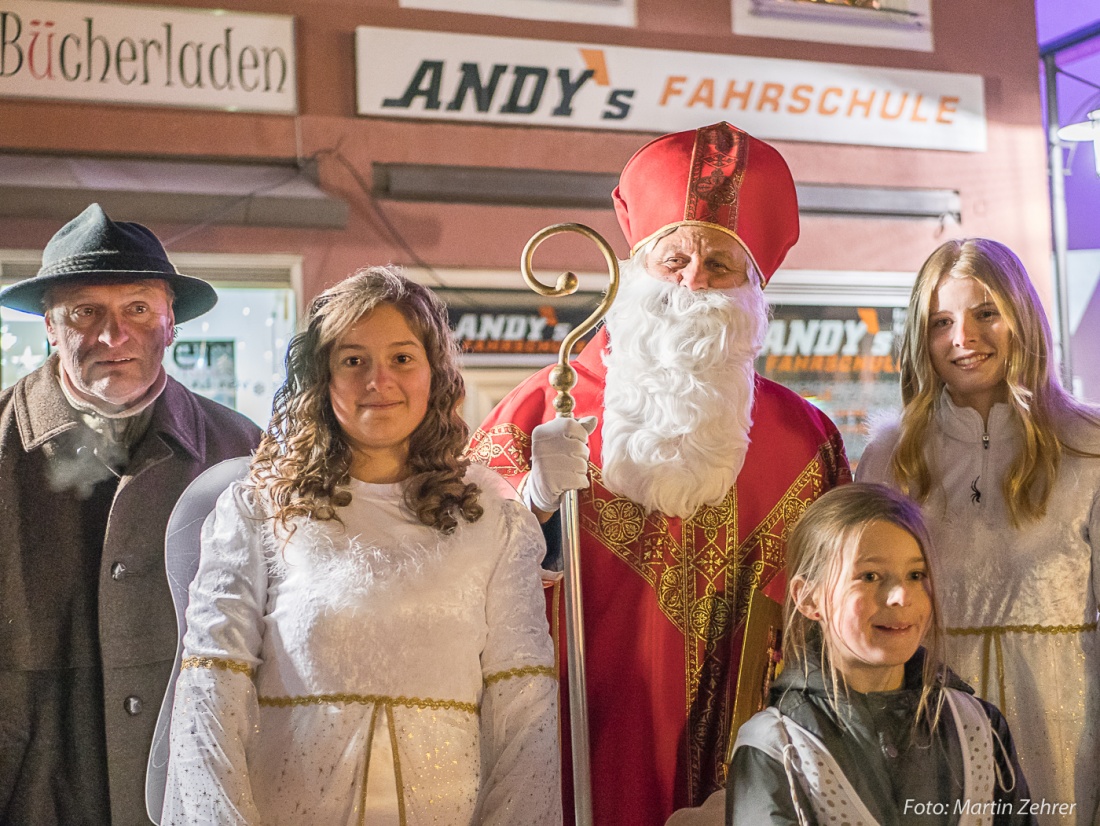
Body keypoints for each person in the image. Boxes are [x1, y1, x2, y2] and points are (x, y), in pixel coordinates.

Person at [469, 121, 851, 825]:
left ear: (754, 289)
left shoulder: (808, 445)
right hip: (563, 761)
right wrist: (535, 503)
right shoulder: (536, 414)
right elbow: (456, 583)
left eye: (722, 267)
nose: (693, 282)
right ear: (637, 265)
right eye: (673, 259)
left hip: (740, 780)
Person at [162, 267, 560, 825]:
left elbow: (525, 710)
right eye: (353, 360)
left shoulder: (491, 518)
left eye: (402, 358)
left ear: (434, 374)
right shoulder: (259, 510)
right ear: (321, 377)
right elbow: (211, 688)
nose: (379, 381)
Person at [0, 203, 262, 825]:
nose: (113, 336)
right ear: (50, 327)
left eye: (138, 309)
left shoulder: (243, 451)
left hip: (195, 795)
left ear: (171, 322)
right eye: (85, 312)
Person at [858, 238, 1100, 825]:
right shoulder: (890, 459)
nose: (963, 338)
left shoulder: (1089, 448)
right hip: (931, 728)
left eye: (985, 313)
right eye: (942, 322)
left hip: (1066, 727)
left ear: (1022, 317)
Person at [728, 483, 1035, 825]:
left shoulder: (979, 727)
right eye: (870, 576)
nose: (901, 596)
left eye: (916, 575)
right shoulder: (777, 748)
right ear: (809, 599)